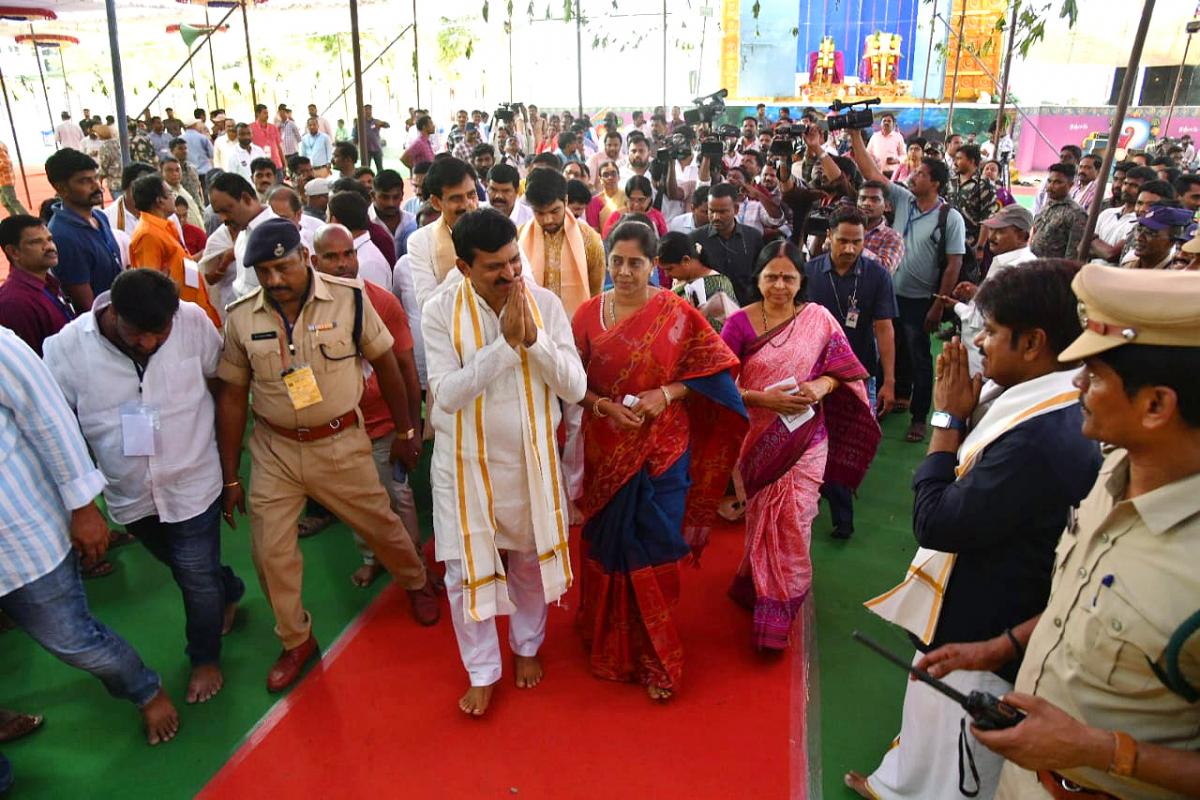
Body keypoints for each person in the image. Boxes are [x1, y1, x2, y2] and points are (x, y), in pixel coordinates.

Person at [911, 265, 1200, 800]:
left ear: (1157, 405)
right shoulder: (1116, 476)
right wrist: (1002, 646)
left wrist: (1100, 752)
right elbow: (1088, 597)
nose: (1076, 384)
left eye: (1094, 373)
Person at [852, 261, 1103, 800]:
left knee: (962, 744)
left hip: (990, 617)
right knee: (931, 713)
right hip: (977, 605)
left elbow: (938, 522)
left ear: (1034, 342)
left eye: (990, 332)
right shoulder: (1035, 398)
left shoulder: (1040, 436)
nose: (980, 344)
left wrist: (945, 422)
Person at [215, 218, 439, 693]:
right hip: (274, 451)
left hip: (340, 442)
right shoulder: (239, 317)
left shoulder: (351, 299)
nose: (274, 280)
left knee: (381, 524)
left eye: (282, 267)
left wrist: (406, 429)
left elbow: (387, 362)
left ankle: (416, 582)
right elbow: (233, 396)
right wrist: (231, 475)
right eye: (263, 271)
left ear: (303, 257)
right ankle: (296, 639)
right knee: (269, 552)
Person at [42, 269, 245, 705]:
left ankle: (204, 656)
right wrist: (80, 503)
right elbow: (57, 427)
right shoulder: (66, 349)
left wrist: (231, 472)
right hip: (130, 496)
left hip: (193, 481)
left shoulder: (191, 321)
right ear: (113, 312)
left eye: (160, 333)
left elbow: (220, 383)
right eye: (138, 334)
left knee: (193, 574)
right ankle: (227, 590)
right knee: (189, 570)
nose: (149, 343)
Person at [420, 207, 585, 716]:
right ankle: (482, 671)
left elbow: (575, 387)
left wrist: (533, 341)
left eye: (514, 261)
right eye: (495, 267)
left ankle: (527, 647)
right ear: (465, 269)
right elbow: (446, 395)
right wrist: (504, 346)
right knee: (461, 573)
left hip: (529, 463)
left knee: (529, 560)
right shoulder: (438, 310)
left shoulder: (545, 304)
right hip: (464, 468)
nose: (510, 274)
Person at [574, 220, 747, 701]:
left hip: (664, 452)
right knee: (608, 545)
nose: (626, 272)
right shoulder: (588, 315)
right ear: (607, 262)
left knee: (653, 547)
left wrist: (667, 394)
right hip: (606, 450)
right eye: (618, 262)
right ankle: (608, 639)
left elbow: (715, 371)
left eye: (636, 263)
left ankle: (657, 654)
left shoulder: (676, 312)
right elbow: (570, 383)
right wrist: (601, 406)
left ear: (655, 266)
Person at [0, 328, 179, 745]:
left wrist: (83, 506)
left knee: (72, 639)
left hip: (18, 538)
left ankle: (145, 690)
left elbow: (48, 418)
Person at [722, 238, 880, 646]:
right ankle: (753, 582)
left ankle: (778, 607)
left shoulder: (818, 318)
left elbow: (845, 372)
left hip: (808, 438)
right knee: (763, 517)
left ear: (800, 280)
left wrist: (819, 386)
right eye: (771, 276)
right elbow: (721, 384)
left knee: (796, 518)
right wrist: (763, 398)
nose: (779, 285)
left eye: (788, 278)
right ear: (757, 278)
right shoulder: (739, 323)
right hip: (758, 440)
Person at [309, 223, 425, 587]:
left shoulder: (382, 301)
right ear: (314, 261)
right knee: (355, 502)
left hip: (384, 424)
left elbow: (406, 370)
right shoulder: (305, 309)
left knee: (397, 496)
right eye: (331, 257)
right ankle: (373, 558)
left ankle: (414, 566)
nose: (343, 264)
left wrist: (411, 430)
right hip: (336, 428)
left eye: (348, 254)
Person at [848, 127, 966, 444]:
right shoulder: (902, 199)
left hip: (920, 299)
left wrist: (939, 303)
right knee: (891, 347)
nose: (912, 177)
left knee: (919, 355)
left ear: (936, 183)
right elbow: (870, 171)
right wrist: (855, 135)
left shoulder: (949, 218)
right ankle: (895, 396)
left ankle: (918, 416)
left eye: (920, 174)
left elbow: (954, 263)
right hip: (889, 294)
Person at [801, 206, 896, 537]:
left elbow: (884, 328)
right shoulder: (809, 273)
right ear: (828, 237)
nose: (850, 249)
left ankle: (842, 514)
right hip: (812, 377)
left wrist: (889, 380)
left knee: (849, 446)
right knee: (810, 444)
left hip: (858, 376)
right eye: (843, 240)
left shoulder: (877, 276)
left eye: (857, 242)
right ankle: (814, 508)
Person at [942, 204, 1037, 375]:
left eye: (1000, 231)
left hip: (990, 367)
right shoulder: (1003, 261)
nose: (991, 237)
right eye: (991, 230)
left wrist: (974, 298)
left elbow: (996, 318)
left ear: (1022, 235)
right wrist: (974, 296)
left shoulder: (1021, 270)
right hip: (979, 361)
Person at [127, 175, 222, 327]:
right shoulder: (147, 234)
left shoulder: (164, 226)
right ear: (159, 201)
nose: (174, 198)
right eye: (171, 194)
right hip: (178, 319)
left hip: (192, 311)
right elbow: (150, 286)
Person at [44, 148, 123, 313]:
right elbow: (88, 308)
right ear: (62, 188)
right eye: (85, 181)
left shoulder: (99, 217)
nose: (96, 186)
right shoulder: (63, 236)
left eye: (95, 178)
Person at [518, 168, 605, 316]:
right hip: (533, 325)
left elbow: (595, 295)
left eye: (554, 211)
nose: (547, 220)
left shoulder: (590, 240)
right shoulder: (519, 237)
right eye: (539, 213)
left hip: (575, 326)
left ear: (565, 200)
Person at [200, 172, 278, 312]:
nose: (223, 219)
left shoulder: (276, 233)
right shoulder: (243, 232)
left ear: (246, 199)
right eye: (218, 213)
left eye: (226, 210)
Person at [408, 157, 480, 307]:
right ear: (436, 202)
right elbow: (427, 304)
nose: (467, 205)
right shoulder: (420, 242)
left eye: (471, 195)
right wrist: (467, 265)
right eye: (456, 198)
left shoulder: (495, 226)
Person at [0, 215, 74, 356]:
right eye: (36, 242)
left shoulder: (48, 284)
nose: (49, 247)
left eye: (49, 239)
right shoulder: (13, 303)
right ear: (14, 252)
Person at [689, 183, 766, 305]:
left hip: (747, 310)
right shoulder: (696, 238)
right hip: (710, 314)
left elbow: (761, 277)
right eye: (711, 211)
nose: (716, 217)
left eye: (722, 212)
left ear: (736, 209)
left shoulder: (753, 237)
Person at [657, 232, 738, 332]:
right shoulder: (681, 280)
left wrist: (695, 317)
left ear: (686, 260)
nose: (666, 275)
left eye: (669, 269)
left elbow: (723, 331)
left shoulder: (718, 285)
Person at [947, 143, 997, 282]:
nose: (955, 162)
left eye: (959, 158)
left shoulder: (984, 184)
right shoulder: (952, 181)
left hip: (970, 244)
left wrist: (980, 247)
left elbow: (987, 218)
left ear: (972, 161)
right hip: (950, 239)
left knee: (966, 281)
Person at [326, 190, 392, 290]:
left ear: (335, 221)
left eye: (327, 218)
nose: (326, 223)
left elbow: (374, 304)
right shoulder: (362, 255)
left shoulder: (369, 264)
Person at [1090, 164, 1154, 264]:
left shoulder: (1140, 222)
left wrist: (1092, 239)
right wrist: (1101, 249)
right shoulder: (1107, 213)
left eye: (1134, 185)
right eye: (1125, 183)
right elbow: (1082, 247)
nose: (1125, 189)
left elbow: (1112, 255)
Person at [1030, 163, 1087, 260]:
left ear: (1070, 185)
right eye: (1049, 181)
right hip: (1034, 263)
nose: (1050, 186)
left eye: (1057, 182)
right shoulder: (1047, 205)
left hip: (1053, 269)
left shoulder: (1076, 213)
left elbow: (1073, 253)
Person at [1121, 203, 1194, 271]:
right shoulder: (1128, 263)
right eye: (1139, 229)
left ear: (1172, 241)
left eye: (1150, 233)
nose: (1139, 237)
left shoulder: (1176, 273)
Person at [858, 180, 905, 273]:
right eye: (862, 198)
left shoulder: (893, 237)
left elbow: (885, 269)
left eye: (875, 199)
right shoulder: (845, 228)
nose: (867, 203)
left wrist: (854, 248)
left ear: (887, 206)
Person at [371, 169, 417, 259]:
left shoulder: (413, 222)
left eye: (395, 197)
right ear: (372, 196)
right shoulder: (365, 223)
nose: (390, 203)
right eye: (385, 197)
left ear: (402, 195)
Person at [250, 104, 284, 171]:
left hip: (276, 164)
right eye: (264, 113)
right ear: (258, 114)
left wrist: (284, 162)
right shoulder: (250, 128)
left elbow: (279, 146)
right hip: (260, 166)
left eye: (267, 113)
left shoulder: (273, 127)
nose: (267, 115)